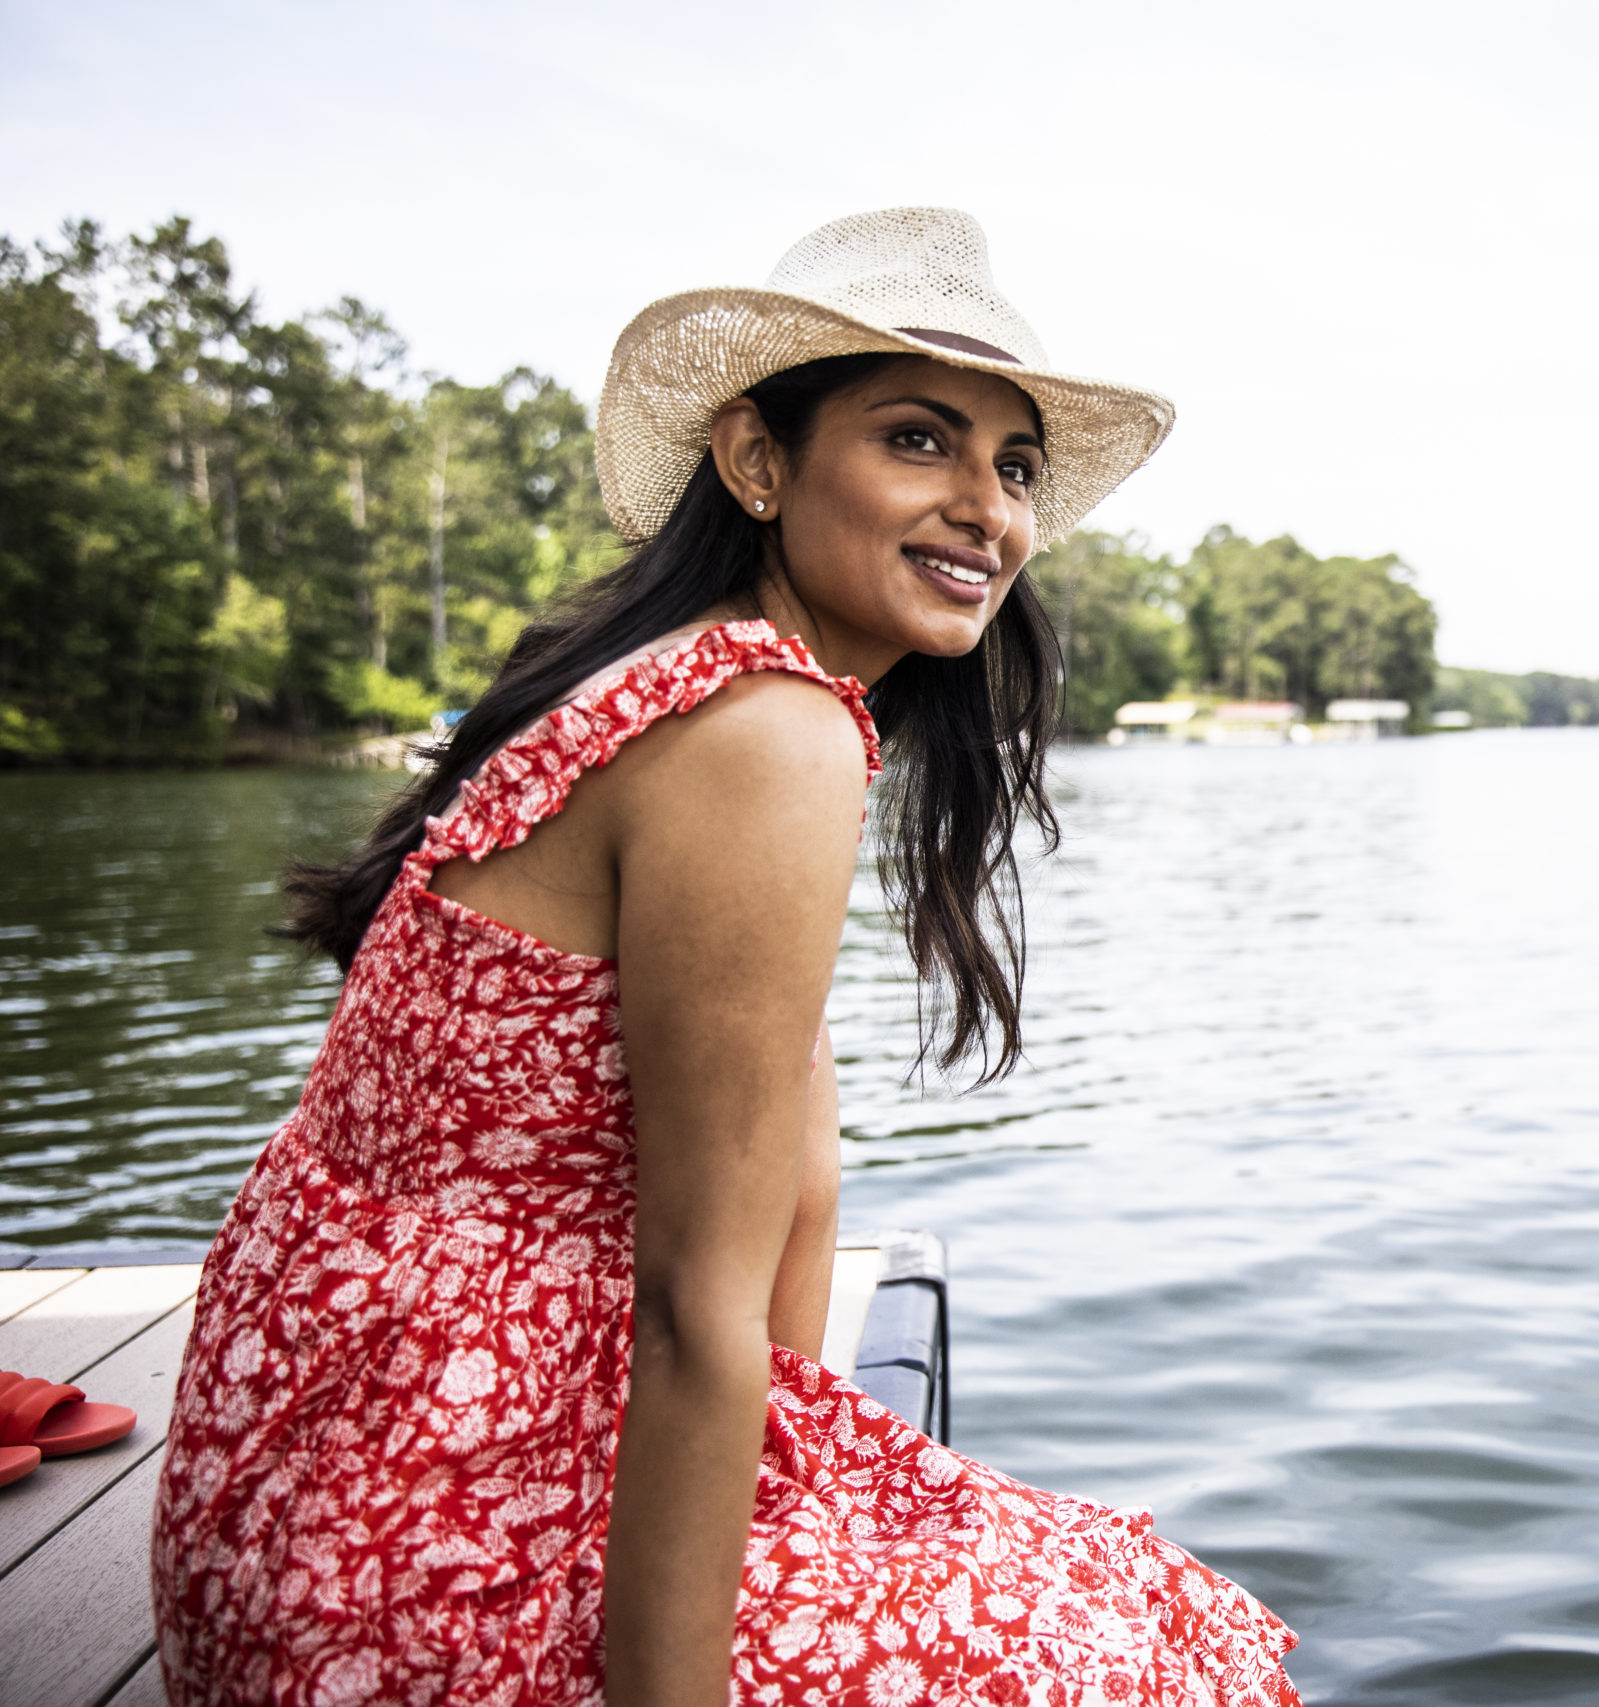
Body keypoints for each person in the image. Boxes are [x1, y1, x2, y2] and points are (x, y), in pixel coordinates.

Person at [151, 208, 1299, 1707]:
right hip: (421, 1539)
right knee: (1153, 1659)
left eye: (1013, 467)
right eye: (918, 440)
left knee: (1085, 1587)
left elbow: (769, 1232)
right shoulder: (763, 732)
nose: (987, 510)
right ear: (758, 461)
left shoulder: (673, 689)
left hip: (309, 1474)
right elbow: (704, 1309)